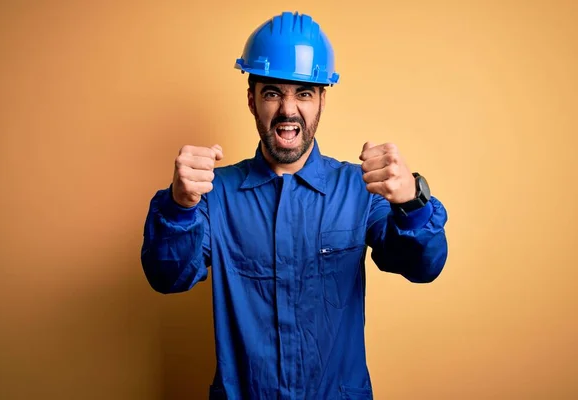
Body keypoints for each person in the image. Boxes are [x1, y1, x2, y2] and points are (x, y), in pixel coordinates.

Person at [141, 11, 448, 400]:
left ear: (321, 100)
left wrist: (411, 201)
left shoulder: (360, 189)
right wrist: (180, 205)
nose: (288, 110)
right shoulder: (213, 195)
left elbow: (424, 266)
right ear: (252, 100)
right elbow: (166, 277)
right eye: (273, 92)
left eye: (303, 92)